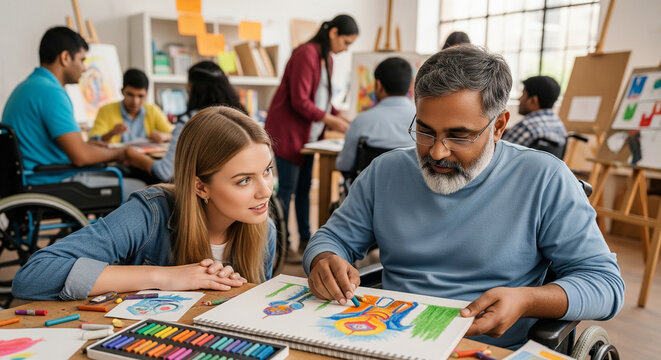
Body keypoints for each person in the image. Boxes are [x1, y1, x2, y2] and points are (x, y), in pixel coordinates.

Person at [303, 45, 624, 349]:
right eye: (426, 130)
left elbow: (605, 284)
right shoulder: (386, 171)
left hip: (488, 349)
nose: (437, 152)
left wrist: (527, 300)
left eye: (459, 136)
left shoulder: (544, 178)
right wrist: (324, 258)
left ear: (498, 126)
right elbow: (332, 238)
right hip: (387, 341)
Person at [12, 106, 277, 300]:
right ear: (200, 186)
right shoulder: (150, 213)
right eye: (244, 180)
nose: (266, 191)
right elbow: (33, 275)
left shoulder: (263, 230)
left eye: (267, 170)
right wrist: (162, 277)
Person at [1, 26, 142, 195]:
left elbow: (67, 147)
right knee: (143, 189)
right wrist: (122, 153)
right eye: (82, 60)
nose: (84, 68)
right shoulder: (50, 92)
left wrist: (88, 146)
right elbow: (80, 157)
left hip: (31, 180)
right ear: (65, 58)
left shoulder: (29, 87)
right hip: (50, 181)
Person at [265, 14, 358, 263]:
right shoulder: (306, 54)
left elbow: (323, 101)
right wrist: (332, 120)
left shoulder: (326, 58)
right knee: (287, 190)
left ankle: (305, 241)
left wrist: (342, 117)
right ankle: (280, 248)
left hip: (308, 137)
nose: (346, 49)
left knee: (304, 189)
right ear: (333, 33)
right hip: (288, 133)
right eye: (346, 42)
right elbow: (300, 101)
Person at [125, 61, 246, 183]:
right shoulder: (241, 116)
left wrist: (132, 155)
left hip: (204, 193)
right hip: (240, 186)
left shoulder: (190, 121)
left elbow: (165, 172)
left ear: (193, 88)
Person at [335, 57, 415, 173]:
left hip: (370, 190)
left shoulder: (361, 121)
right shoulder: (423, 119)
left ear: (379, 85)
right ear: (410, 85)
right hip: (411, 189)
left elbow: (344, 165)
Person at [90, 68, 173, 144]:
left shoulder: (153, 110)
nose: (135, 101)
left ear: (147, 94)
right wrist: (111, 133)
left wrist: (164, 136)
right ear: (122, 92)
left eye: (140, 96)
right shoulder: (106, 111)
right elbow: (93, 142)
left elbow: (174, 134)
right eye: (130, 95)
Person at [502, 75, 567, 148]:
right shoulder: (559, 124)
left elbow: (499, 154)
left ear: (533, 100)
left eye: (523, 94)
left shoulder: (526, 126)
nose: (519, 99)